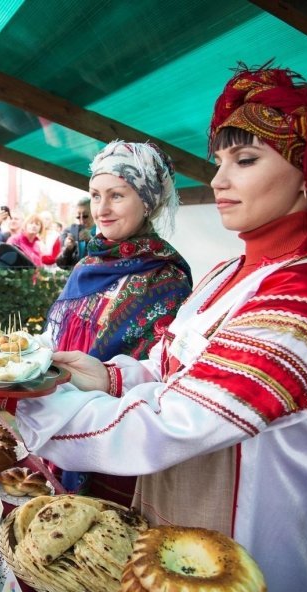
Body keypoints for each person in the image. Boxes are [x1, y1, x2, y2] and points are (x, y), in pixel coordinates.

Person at [12, 64, 307, 592]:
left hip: (246, 551)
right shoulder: (231, 271)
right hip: (175, 522)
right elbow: (166, 365)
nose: (217, 180)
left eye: (246, 161)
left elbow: (176, 419)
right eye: (220, 163)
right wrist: (105, 375)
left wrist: (24, 400)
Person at [41, 141, 193, 496]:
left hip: (113, 439)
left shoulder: (166, 279)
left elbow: (160, 375)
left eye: (117, 195)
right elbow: (56, 336)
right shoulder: (87, 265)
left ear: (147, 201)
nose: (102, 209)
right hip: (59, 416)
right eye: (95, 195)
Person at [56, 197, 95, 269]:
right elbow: (61, 265)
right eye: (78, 216)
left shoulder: (102, 232)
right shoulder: (67, 232)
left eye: (85, 216)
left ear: (94, 213)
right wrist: (68, 250)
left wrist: (91, 241)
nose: (81, 220)